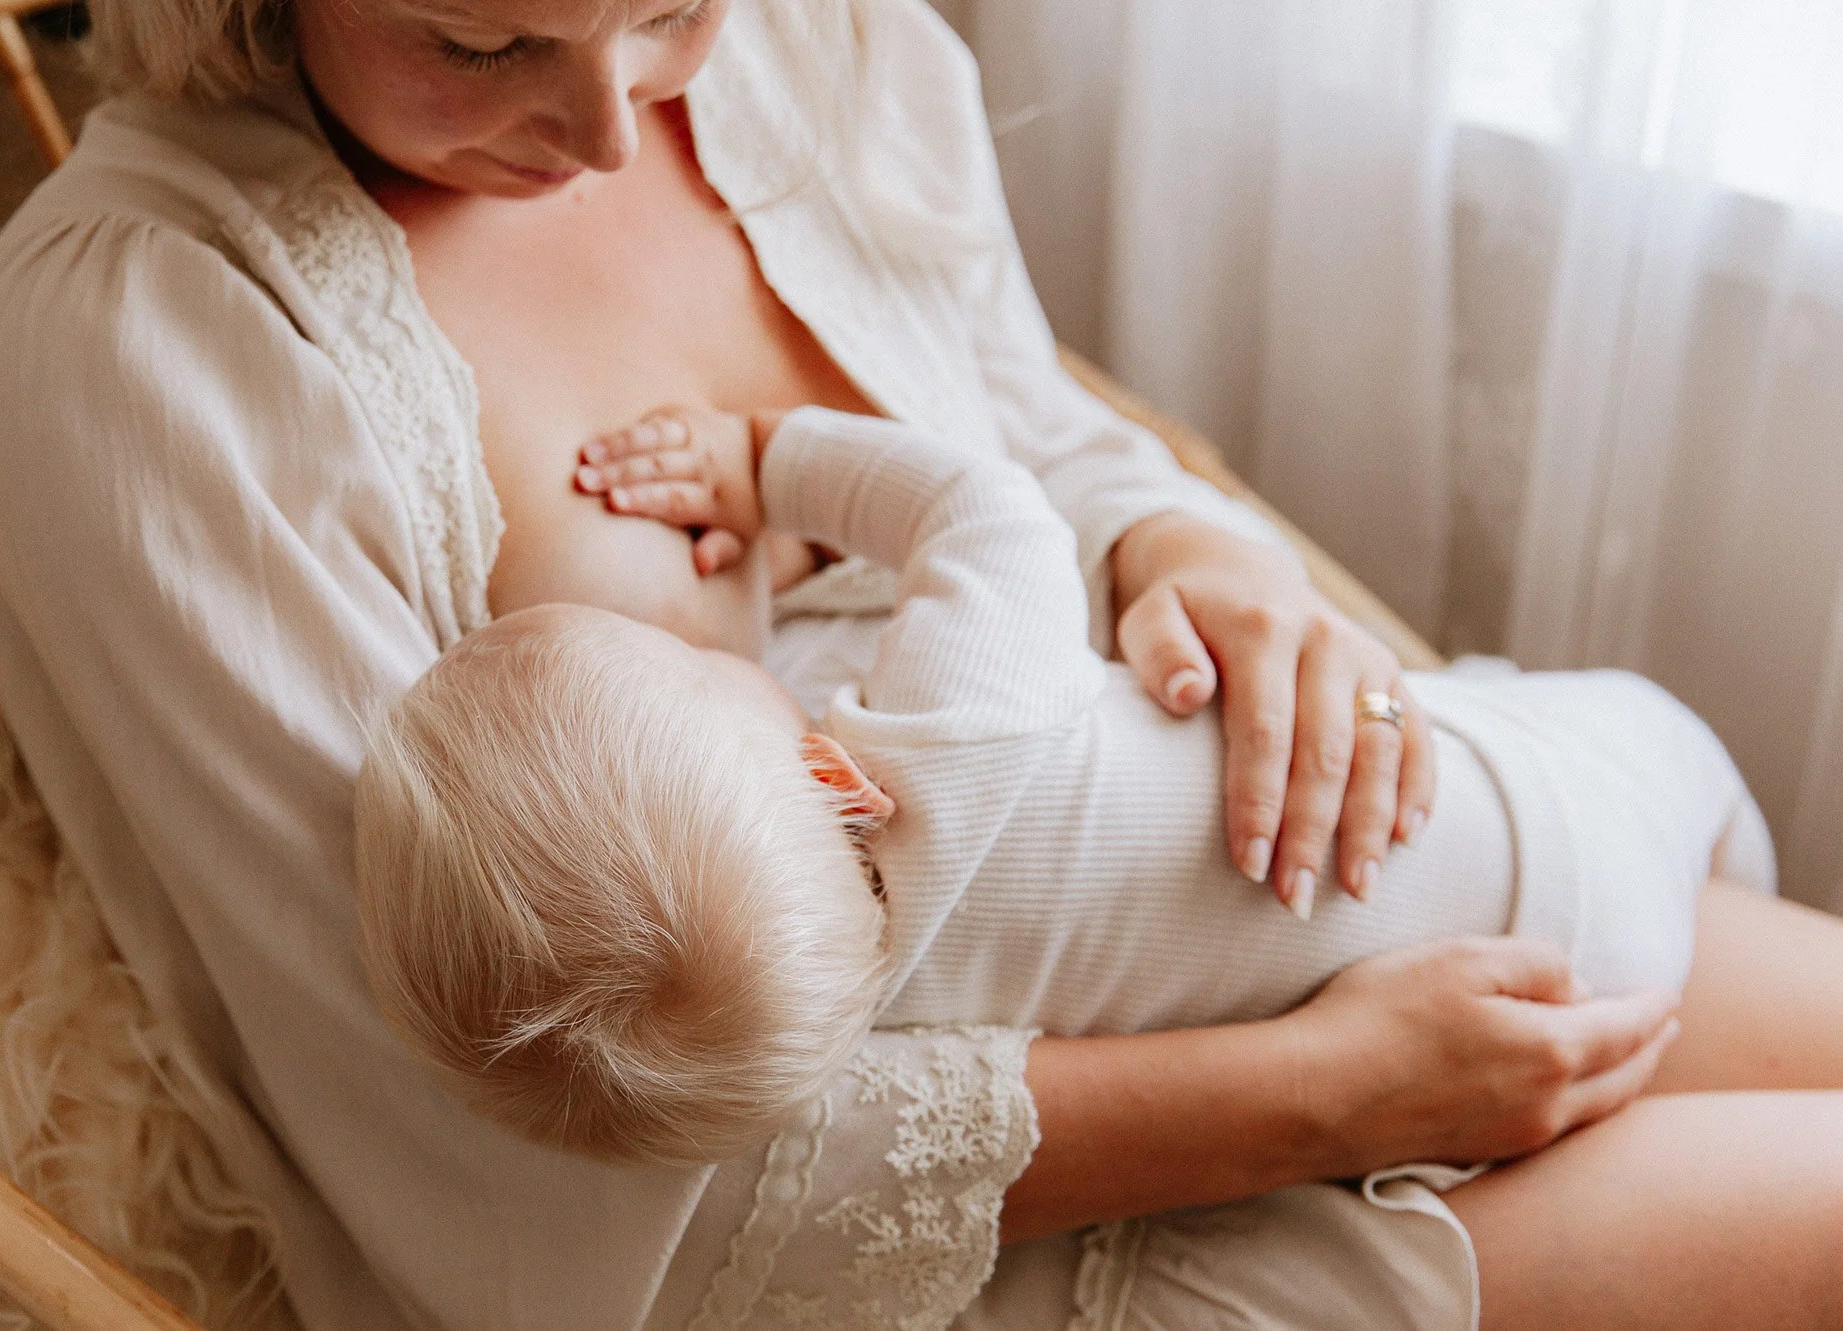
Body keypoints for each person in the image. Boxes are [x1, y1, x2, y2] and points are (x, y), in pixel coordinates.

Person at [0, 0, 1843, 1326]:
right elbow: (522, 1173)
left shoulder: (813, 57)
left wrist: (1190, 550)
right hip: (935, 1232)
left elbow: (1032, 445)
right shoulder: (146, 353)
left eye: (670, 6)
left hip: (1240, 897)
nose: (608, 129)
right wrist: (1319, 1094)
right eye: (475, 38)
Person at [352, 402, 1764, 1167]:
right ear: (835, 770)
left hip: (1499, 995)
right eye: (709, 666)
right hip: (1530, 798)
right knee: (1679, 770)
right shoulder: (959, 728)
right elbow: (985, 510)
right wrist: (768, 464)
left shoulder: (839, 1029)